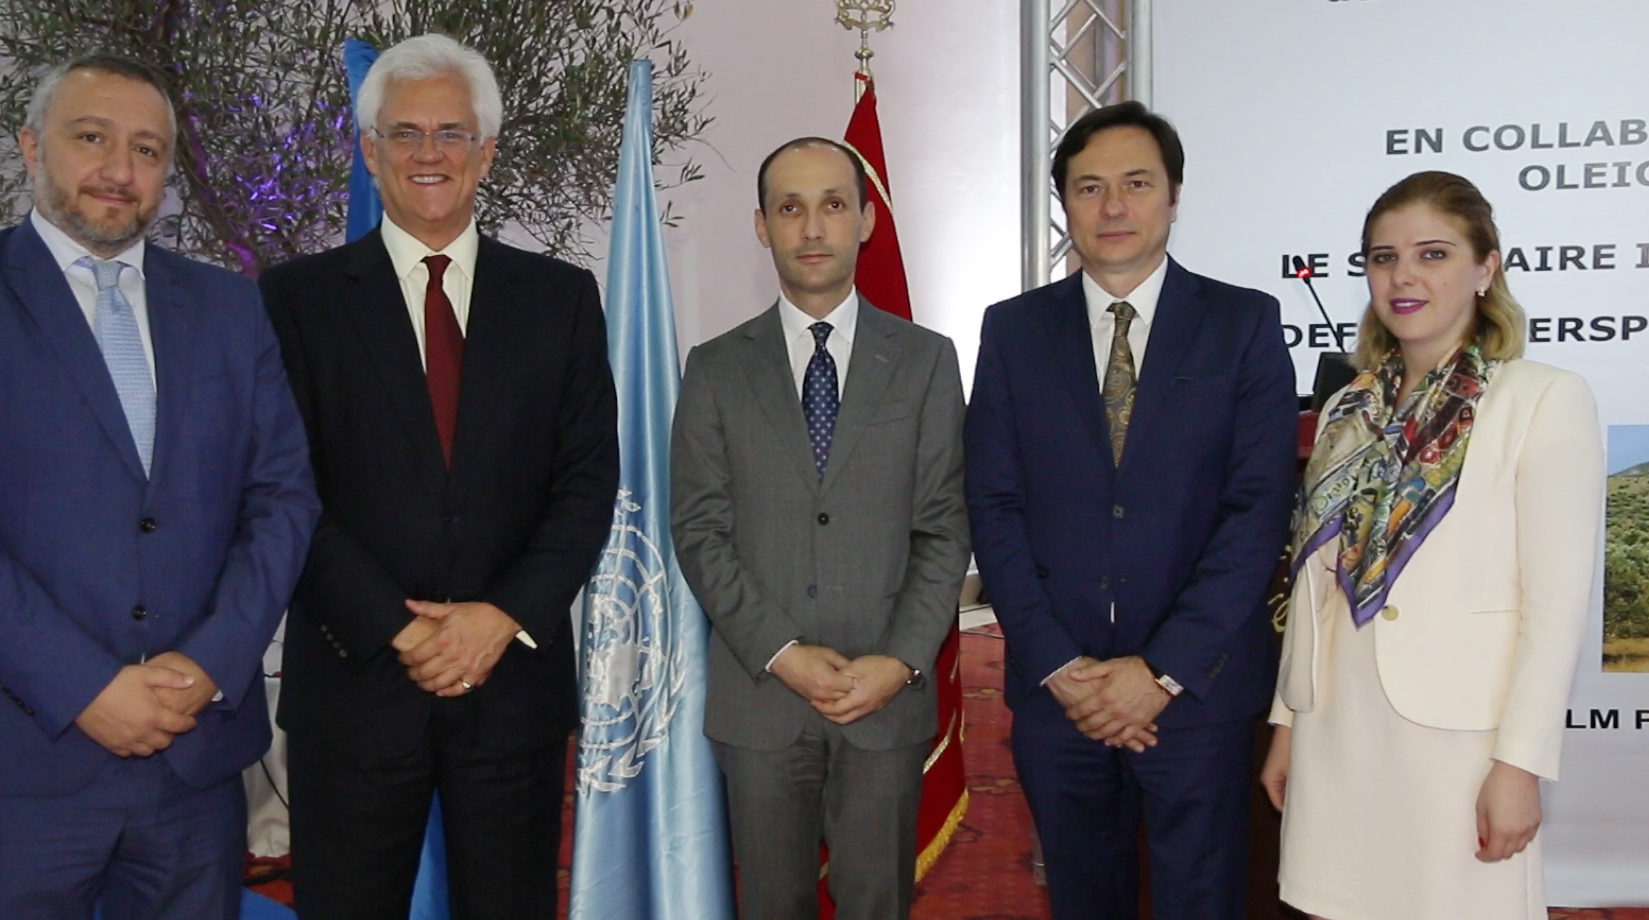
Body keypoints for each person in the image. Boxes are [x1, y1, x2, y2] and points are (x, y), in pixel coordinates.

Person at [0, 52, 321, 919]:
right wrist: (85, 688)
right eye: (91, 137)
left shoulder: (229, 308)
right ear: (32, 147)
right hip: (17, 758)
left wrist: (212, 663)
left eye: (147, 150)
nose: (119, 168)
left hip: (193, 757)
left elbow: (283, 499)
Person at [257, 33, 619, 920]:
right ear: (368, 150)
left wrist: (500, 618)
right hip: (354, 685)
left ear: (485, 152)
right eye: (405, 133)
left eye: (452, 133)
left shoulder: (561, 299)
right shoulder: (294, 300)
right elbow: (282, 488)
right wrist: (400, 629)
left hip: (511, 691)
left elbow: (585, 484)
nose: (430, 153)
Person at [963, 101, 1297, 920]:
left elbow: (1257, 511)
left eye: (1137, 184)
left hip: (1196, 692)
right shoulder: (1013, 330)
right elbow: (993, 506)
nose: (1113, 206)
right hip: (1061, 694)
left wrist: (1160, 671)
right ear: (1065, 205)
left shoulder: (1243, 323)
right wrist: (1059, 667)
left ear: (1174, 196)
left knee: (1200, 902)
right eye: (1089, 188)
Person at [1259, 171, 1603, 920]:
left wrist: (1519, 765)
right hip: (1337, 732)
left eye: (1433, 254)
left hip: (1460, 745)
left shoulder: (1542, 399)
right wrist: (1288, 721)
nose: (1403, 276)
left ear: (1486, 268)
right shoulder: (1347, 406)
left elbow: (1555, 609)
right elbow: (1314, 588)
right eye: (1383, 257)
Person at [670, 137, 971, 920]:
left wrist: (899, 661)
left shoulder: (926, 361)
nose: (812, 228)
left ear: (866, 221)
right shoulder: (715, 367)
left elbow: (944, 528)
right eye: (790, 208)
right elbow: (700, 529)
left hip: (885, 698)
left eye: (833, 205)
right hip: (761, 698)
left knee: (877, 904)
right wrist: (783, 652)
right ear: (762, 226)